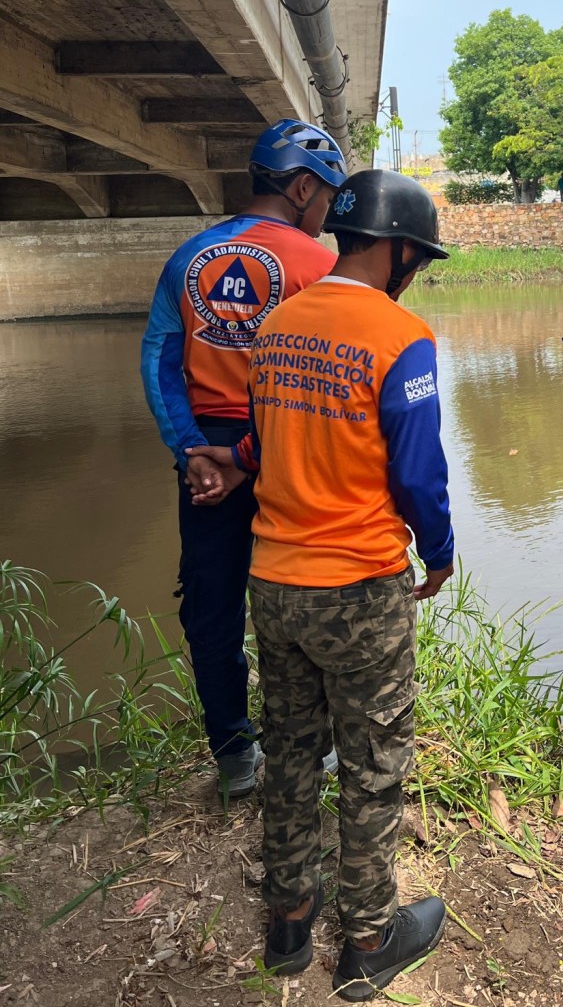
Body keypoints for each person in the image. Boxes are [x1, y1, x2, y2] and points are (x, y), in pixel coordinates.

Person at [188, 169, 452, 997]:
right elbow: (418, 472)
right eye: (418, 256)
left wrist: (228, 464)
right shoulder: (400, 336)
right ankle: (370, 939)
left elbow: (264, 443)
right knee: (372, 762)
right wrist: (439, 550)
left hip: (275, 580)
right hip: (359, 585)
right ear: (401, 249)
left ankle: (289, 922)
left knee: (292, 752)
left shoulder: (275, 328)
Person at [140, 118, 346, 798]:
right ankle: (312, 750)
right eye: (326, 197)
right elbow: (333, 376)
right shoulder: (321, 270)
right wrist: (252, 454)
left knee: (212, 605)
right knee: (309, 596)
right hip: (288, 446)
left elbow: (160, 362)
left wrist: (193, 453)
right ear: (302, 186)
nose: (326, 214)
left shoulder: (190, 257)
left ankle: (234, 758)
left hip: (205, 456)